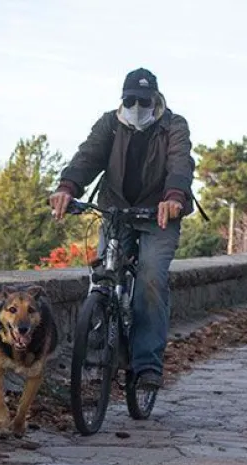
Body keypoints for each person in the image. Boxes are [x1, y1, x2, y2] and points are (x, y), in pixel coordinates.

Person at [48, 67, 199, 391]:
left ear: (155, 99)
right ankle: (100, 343)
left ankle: (146, 366)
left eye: (143, 101)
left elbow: (180, 163)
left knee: (150, 279)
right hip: (116, 209)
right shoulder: (110, 124)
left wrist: (173, 196)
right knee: (103, 273)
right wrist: (67, 187)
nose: (137, 107)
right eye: (130, 100)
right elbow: (87, 156)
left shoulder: (174, 125)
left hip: (158, 215)